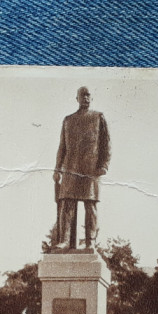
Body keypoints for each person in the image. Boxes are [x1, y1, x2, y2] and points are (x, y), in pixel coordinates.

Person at [53, 86, 111, 250]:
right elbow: (62, 147)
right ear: (76, 98)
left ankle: (90, 241)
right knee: (67, 204)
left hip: (90, 168)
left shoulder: (98, 117)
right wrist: (57, 169)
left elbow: (106, 144)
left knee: (90, 205)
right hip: (70, 168)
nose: (85, 98)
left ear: (92, 98)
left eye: (88, 95)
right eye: (82, 95)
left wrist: (104, 165)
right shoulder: (68, 120)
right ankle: (64, 240)